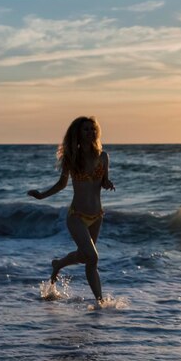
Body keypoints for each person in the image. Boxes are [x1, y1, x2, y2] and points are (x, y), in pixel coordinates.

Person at [27, 116, 115, 304]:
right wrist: (41, 195)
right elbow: (61, 184)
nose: (90, 132)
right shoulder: (72, 158)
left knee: (85, 257)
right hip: (77, 216)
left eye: (93, 129)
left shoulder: (103, 156)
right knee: (93, 257)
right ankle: (100, 302)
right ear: (78, 133)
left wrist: (107, 183)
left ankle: (59, 263)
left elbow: (104, 181)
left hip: (97, 215)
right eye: (86, 130)